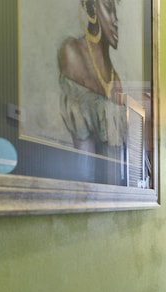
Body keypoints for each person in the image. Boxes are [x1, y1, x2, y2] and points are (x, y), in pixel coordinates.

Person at [58, 0, 126, 184]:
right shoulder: (72, 53)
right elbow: (83, 166)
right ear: (92, 8)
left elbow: (115, 166)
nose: (116, 20)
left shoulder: (116, 81)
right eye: (109, 8)